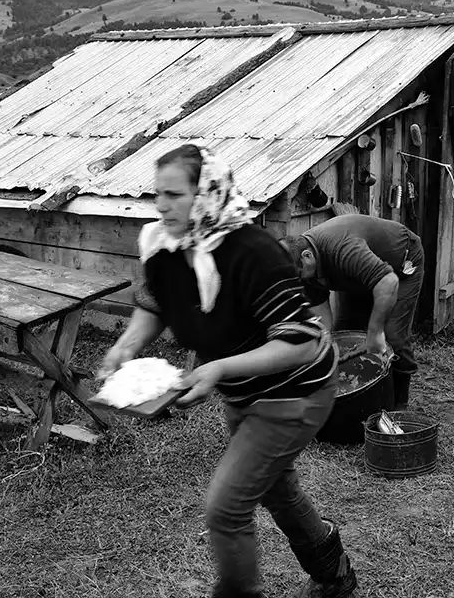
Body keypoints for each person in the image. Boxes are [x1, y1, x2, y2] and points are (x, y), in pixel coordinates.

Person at [96, 144, 357, 598]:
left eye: (174, 195)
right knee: (275, 487)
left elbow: (300, 342)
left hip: (296, 392)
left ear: (206, 194)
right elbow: (156, 302)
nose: (160, 205)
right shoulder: (166, 244)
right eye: (157, 193)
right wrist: (128, 343)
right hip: (243, 392)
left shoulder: (251, 252)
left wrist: (217, 369)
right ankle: (333, 572)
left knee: (226, 507)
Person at [280, 215, 425, 410]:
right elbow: (322, 316)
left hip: (401, 263)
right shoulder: (303, 269)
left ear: (307, 256)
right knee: (346, 333)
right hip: (359, 275)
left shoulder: (342, 248)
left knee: (392, 335)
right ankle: (356, 394)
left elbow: (388, 282)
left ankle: (399, 402)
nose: (300, 282)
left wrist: (375, 332)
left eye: (299, 276)